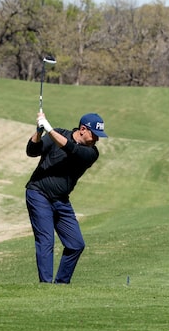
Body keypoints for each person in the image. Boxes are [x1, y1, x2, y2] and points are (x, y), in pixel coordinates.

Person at [25, 112, 107, 284]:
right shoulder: (60, 133)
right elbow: (32, 151)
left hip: (61, 200)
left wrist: (48, 128)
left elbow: (71, 149)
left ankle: (61, 284)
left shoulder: (91, 153)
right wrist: (39, 132)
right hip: (38, 193)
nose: (97, 140)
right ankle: (46, 285)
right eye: (95, 135)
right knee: (46, 240)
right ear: (83, 129)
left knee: (76, 244)